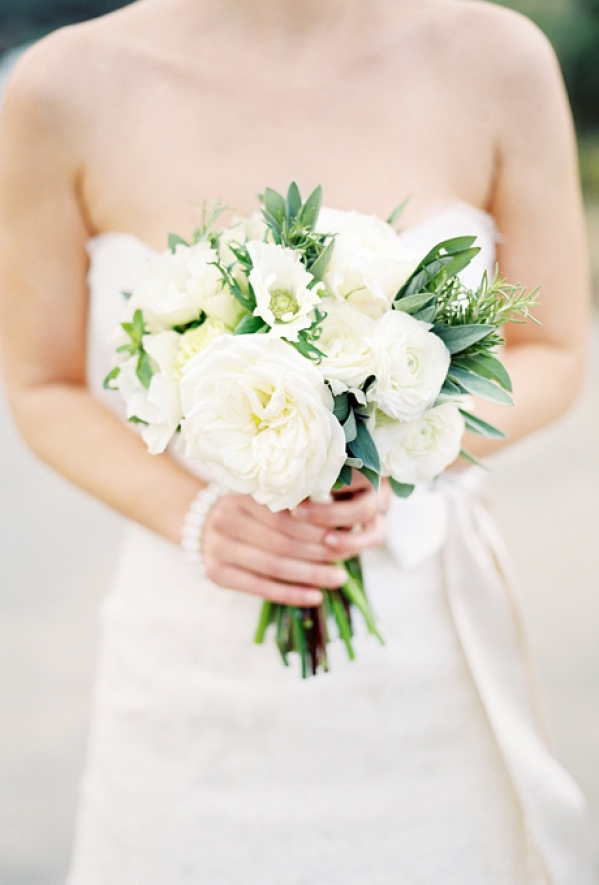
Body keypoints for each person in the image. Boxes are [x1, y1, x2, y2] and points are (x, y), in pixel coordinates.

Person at [0, 0, 595, 882]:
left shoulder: (498, 56)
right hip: (189, 651)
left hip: (425, 643)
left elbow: (554, 349)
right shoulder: (61, 85)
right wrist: (202, 513)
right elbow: (38, 383)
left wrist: (399, 445)